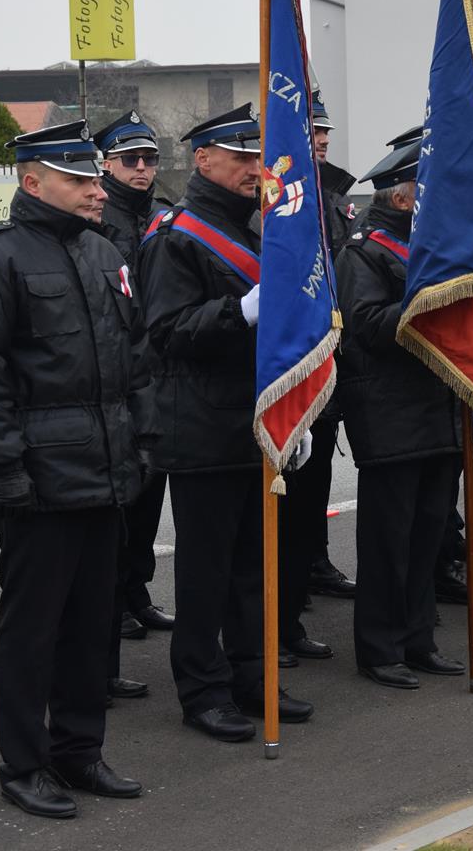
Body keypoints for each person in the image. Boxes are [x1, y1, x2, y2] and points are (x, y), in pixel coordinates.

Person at [0, 120, 144, 818]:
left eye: (96, 179)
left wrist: (136, 448)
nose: (97, 191)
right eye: (80, 180)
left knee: (94, 626)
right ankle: (25, 765)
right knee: (34, 632)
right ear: (33, 182)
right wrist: (5, 472)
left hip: (105, 473)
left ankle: (79, 752)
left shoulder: (101, 253)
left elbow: (131, 361)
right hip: (38, 482)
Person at [136, 104, 316, 743]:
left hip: (256, 421)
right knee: (207, 573)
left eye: (255, 157)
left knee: (253, 568)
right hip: (202, 430)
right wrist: (239, 311)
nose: (251, 169)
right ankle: (203, 689)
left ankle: (252, 675)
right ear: (202, 159)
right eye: (238, 157)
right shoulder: (174, 237)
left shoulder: (256, 231)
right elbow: (165, 334)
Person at [336, 133, 469, 688]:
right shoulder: (362, 252)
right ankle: (380, 647)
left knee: (426, 539)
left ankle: (419, 638)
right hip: (390, 414)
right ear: (401, 196)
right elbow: (366, 323)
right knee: (389, 543)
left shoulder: (430, 248)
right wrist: (429, 304)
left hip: (436, 409)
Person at [94, 112, 172, 706]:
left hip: (161, 373)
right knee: (125, 499)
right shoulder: (103, 219)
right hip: (124, 372)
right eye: (130, 160)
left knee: (151, 495)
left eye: (148, 159)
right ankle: (116, 599)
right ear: (106, 164)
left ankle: (138, 590)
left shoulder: (160, 212)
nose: (142, 169)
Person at [299, 89, 360, 602]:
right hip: (299, 355)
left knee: (317, 470)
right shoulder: (283, 197)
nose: (320, 140)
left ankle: (314, 560)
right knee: (293, 480)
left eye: (324, 132)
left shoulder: (336, 195)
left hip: (334, 351)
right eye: (312, 130)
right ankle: (293, 571)